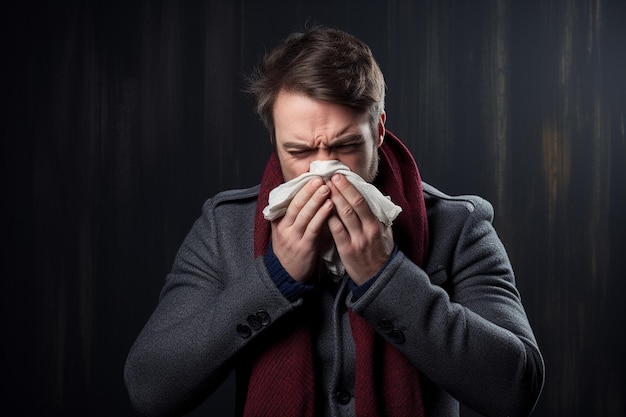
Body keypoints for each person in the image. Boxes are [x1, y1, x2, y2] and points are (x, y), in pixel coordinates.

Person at [124, 27, 544, 417]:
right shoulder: (224, 227)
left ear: (378, 130)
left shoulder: (458, 227)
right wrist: (273, 278)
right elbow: (150, 389)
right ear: (275, 140)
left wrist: (386, 278)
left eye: (345, 146)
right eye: (300, 151)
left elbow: (514, 390)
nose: (323, 168)